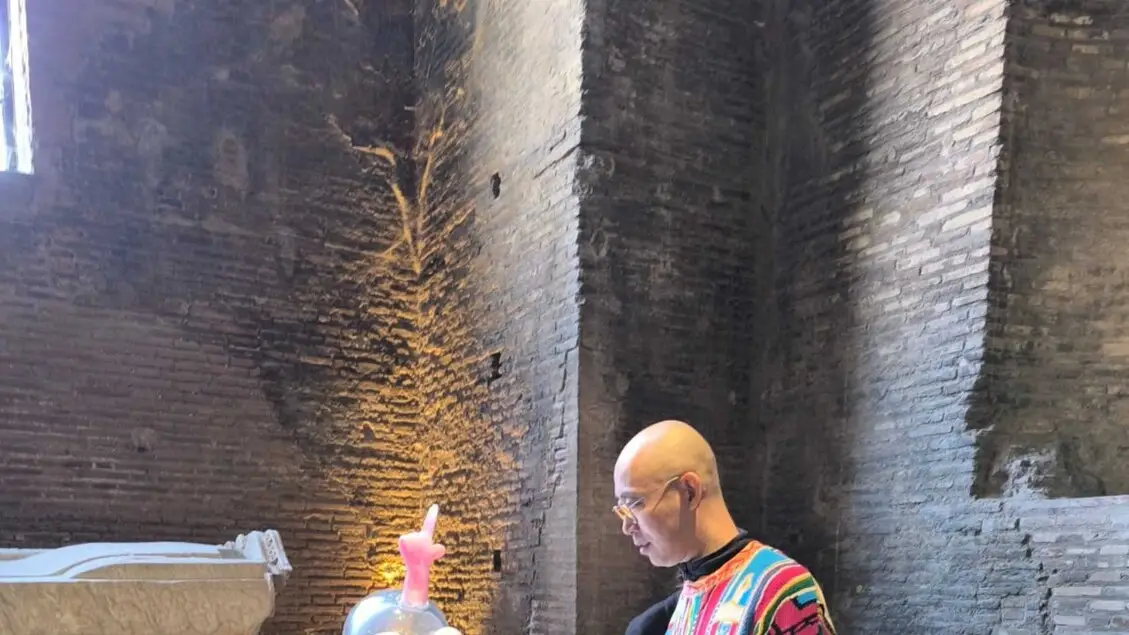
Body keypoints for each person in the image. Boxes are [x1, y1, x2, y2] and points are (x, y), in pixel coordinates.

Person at [615, 420, 836, 635]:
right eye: (621, 508)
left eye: (634, 503)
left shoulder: (783, 591)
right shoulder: (687, 596)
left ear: (689, 492)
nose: (627, 526)